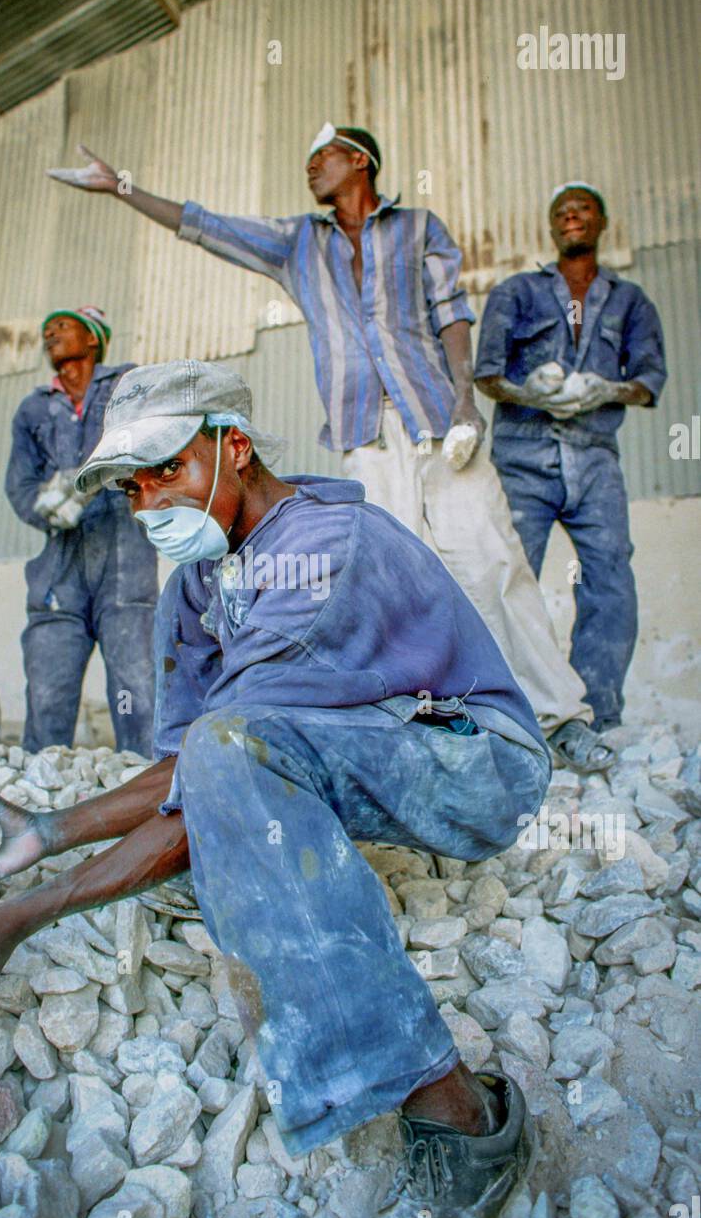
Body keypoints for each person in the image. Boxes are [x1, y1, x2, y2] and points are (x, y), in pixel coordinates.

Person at [0, 359, 553, 1218]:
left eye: (166, 470)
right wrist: (43, 831)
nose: (147, 505)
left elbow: (217, 768)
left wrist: (14, 917)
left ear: (233, 445)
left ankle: (458, 1112)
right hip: (357, 744)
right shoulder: (198, 585)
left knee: (235, 754)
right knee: (230, 756)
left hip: (473, 765)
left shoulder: (318, 557)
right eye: (131, 487)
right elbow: (189, 781)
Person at [45, 131, 612, 776]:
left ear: (360, 161)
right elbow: (206, 227)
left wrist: (464, 405)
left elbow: (453, 316)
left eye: (325, 155)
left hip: (437, 421)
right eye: (309, 158)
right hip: (365, 435)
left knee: (495, 566)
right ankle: (453, 728)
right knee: (393, 588)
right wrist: (118, 183)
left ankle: (562, 718)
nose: (311, 165)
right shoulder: (299, 245)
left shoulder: (419, 227)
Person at [475, 183, 667, 731]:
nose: (570, 216)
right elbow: (487, 375)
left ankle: (596, 716)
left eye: (581, 209)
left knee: (609, 582)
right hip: (523, 458)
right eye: (560, 211)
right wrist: (527, 391)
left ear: (602, 222)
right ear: (551, 227)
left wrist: (607, 389)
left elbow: (649, 382)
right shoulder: (516, 292)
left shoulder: (630, 301)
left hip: (595, 460)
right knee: (509, 581)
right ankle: (508, 717)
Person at [5, 306, 157, 754]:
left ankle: (144, 788)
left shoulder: (128, 385)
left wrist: (102, 479)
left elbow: (152, 446)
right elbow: (20, 485)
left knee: (139, 687)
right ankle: (41, 790)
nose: (50, 335)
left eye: (62, 327)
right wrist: (52, 506)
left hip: (125, 558)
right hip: (60, 568)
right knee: (48, 686)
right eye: (46, 331)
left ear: (93, 338)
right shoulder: (34, 408)